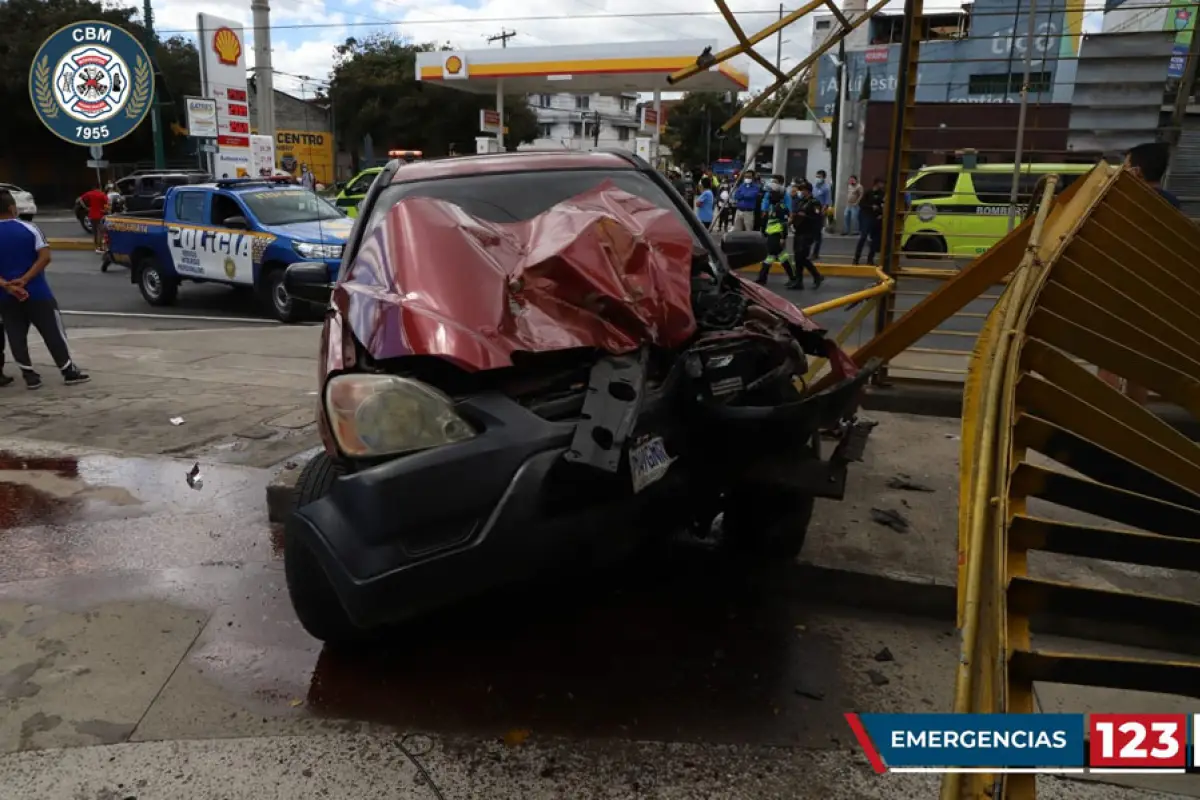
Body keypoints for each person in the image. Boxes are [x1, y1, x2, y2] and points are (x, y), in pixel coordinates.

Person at [1095, 142, 1180, 405]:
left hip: (1123, 291)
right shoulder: (1172, 204)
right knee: (1139, 369)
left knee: (1108, 361)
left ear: (1137, 172)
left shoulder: (1127, 202)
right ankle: (1134, 424)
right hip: (1155, 298)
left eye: (1126, 166)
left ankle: (1103, 420)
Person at [0, 190, 89, 389]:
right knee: (53, 332)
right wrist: (24, 280)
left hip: (6, 295)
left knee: (15, 334)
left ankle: (29, 375)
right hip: (37, 291)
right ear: (12, 208)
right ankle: (68, 371)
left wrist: (7, 285)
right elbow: (45, 257)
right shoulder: (30, 228)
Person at [756, 185, 796, 285]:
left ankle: (762, 278)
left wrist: (783, 238)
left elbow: (784, 224)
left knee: (770, 256)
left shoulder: (781, 208)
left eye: (772, 193)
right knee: (782, 257)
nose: (770, 195)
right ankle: (793, 277)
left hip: (776, 236)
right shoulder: (773, 206)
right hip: (772, 235)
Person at [789, 182, 825, 291]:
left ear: (808, 190)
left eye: (803, 190)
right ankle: (799, 282)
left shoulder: (814, 203)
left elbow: (817, 218)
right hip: (799, 231)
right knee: (797, 258)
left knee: (802, 257)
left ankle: (817, 276)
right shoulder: (801, 201)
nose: (802, 192)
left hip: (808, 233)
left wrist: (806, 216)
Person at [855, 177, 886, 266]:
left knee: (875, 240)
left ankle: (870, 259)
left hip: (877, 218)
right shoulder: (868, 193)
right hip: (867, 216)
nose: (883, 185)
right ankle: (856, 258)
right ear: (877, 183)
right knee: (863, 237)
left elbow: (883, 205)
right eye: (881, 183)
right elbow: (861, 204)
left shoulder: (882, 194)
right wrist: (871, 207)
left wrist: (881, 213)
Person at [79, 185, 108, 253]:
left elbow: (80, 199)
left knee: (95, 232)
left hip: (91, 215)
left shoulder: (89, 193)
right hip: (99, 215)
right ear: (99, 188)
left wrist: (86, 207)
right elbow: (107, 203)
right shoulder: (102, 194)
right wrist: (105, 210)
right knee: (101, 231)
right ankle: (100, 247)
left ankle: (96, 248)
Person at [810, 170, 832, 259]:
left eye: (819, 177)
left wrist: (822, 212)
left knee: (817, 233)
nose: (817, 178)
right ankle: (809, 251)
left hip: (820, 211)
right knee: (810, 232)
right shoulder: (814, 186)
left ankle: (815, 253)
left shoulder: (826, 188)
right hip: (812, 210)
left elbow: (827, 202)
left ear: (823, 177)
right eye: (817, 176)